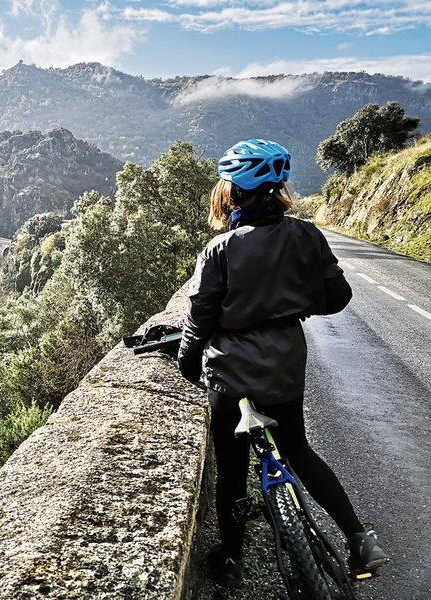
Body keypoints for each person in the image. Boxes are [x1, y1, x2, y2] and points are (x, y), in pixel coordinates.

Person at [177, 139, 388, 586]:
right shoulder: (307, 234)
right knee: (298, 448)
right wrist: (292, 302)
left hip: (231, 376)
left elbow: (199, 319)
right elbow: (338, 297)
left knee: (232, 473)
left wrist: (186, 363)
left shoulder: (221, 250)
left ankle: (232, 559)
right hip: (286, 365)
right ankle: (357, 536)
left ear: (231, 193)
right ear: (279, 189)